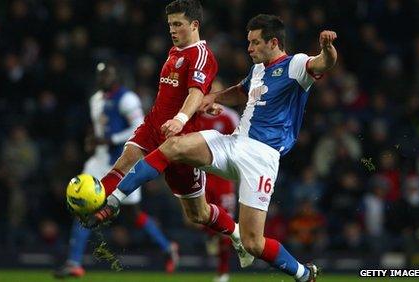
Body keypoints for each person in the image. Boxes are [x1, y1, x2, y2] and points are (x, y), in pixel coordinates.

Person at [89, 14, 338, 282]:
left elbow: (324, 62)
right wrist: (214, 98)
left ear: (273, 42)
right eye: (248, 42)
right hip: (235, 143)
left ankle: (304, 274)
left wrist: (326, 47)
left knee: (254, 243)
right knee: (173, 146)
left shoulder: (296, 65)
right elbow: (240, 92)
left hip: (262, 157)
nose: (249, 48)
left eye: (255, 43)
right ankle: (114, 200)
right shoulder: (257, 70)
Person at [81, 0, 254, 269]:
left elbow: (196, 92)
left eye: (178, 24)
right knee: (122, 164)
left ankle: (236, 233)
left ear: (194, 25)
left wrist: (182, 118)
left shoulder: (202, 55)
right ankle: (93, 202)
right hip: (153, 127)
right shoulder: (175, 51)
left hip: (182, 139)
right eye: (170, 24)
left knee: (198, 214)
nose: (172, 30)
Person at [53, 62, 178, 278]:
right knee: (83, 205)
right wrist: (93, 140)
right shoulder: (95, 100)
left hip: (123, 162)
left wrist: (110, 139)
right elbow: (100, 126)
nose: (103, 78)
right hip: (98, 161)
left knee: (133, 214)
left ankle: (168, 248)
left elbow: (139, 128)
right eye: (100, 75)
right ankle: (73, 262)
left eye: (108, 74)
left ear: (117, 77)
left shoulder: (128, 99)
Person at [196, 104, 239, 282]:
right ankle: (210, 237)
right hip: (202, 175)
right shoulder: (195, 115)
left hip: (223, 178)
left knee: (226, 227)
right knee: (200, 218)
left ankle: (223, 272)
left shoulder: (229, 117)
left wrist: (237, 176)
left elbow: (240, 145)